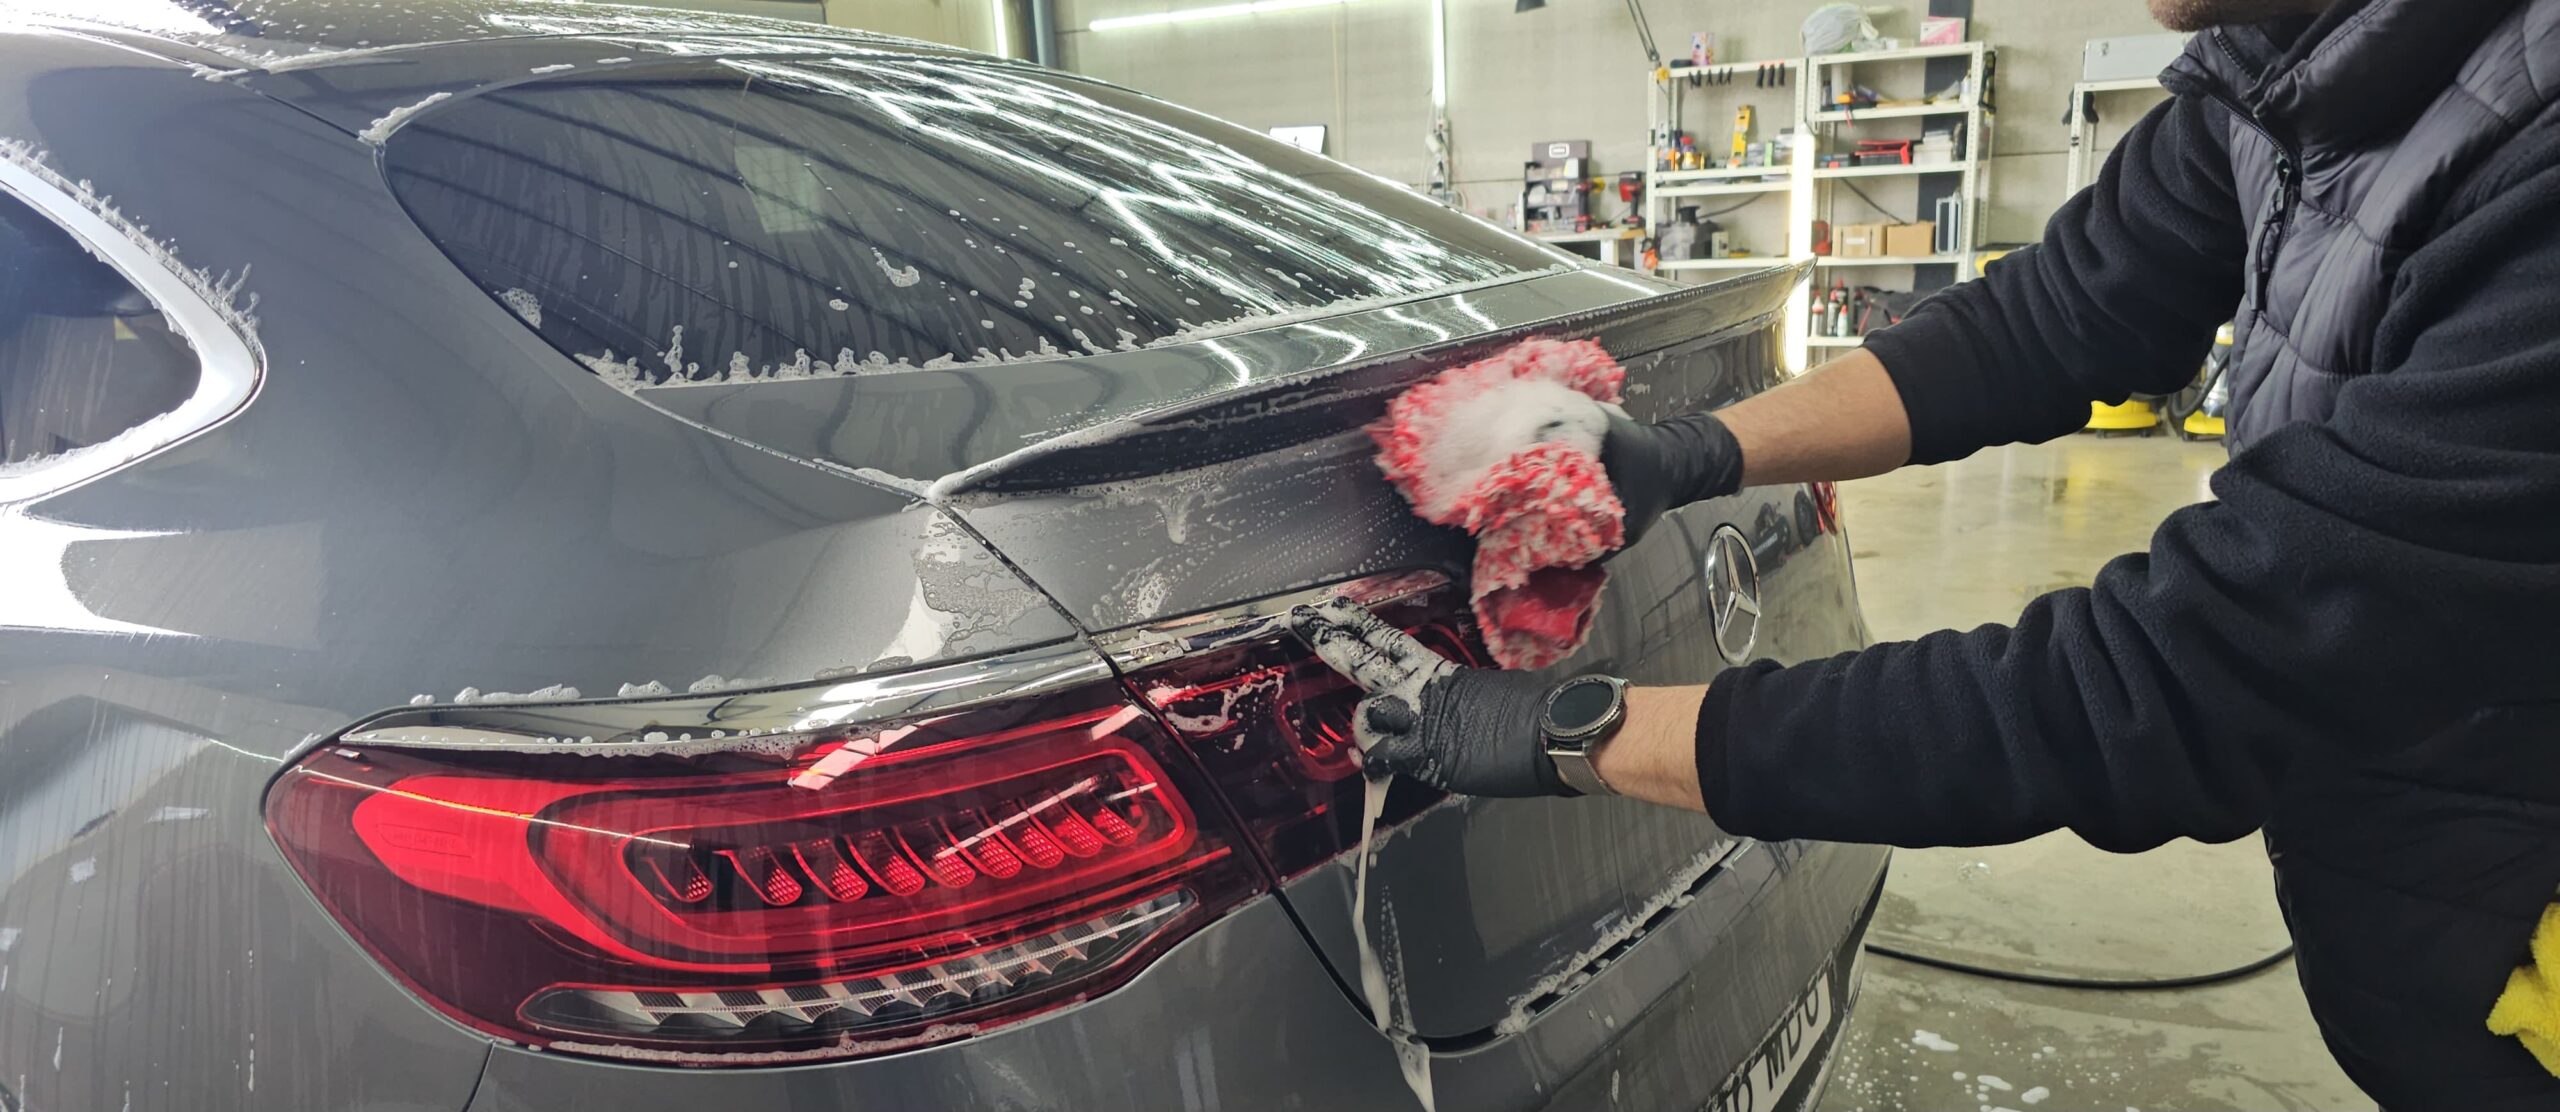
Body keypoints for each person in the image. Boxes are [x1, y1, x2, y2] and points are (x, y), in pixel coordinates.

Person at [1288, 0, 2560, 1106]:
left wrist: (1581, 732)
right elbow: (2054, 316)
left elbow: (2173, 683)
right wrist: (1697, 451)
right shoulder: (2282, 61)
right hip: (2436, 915)